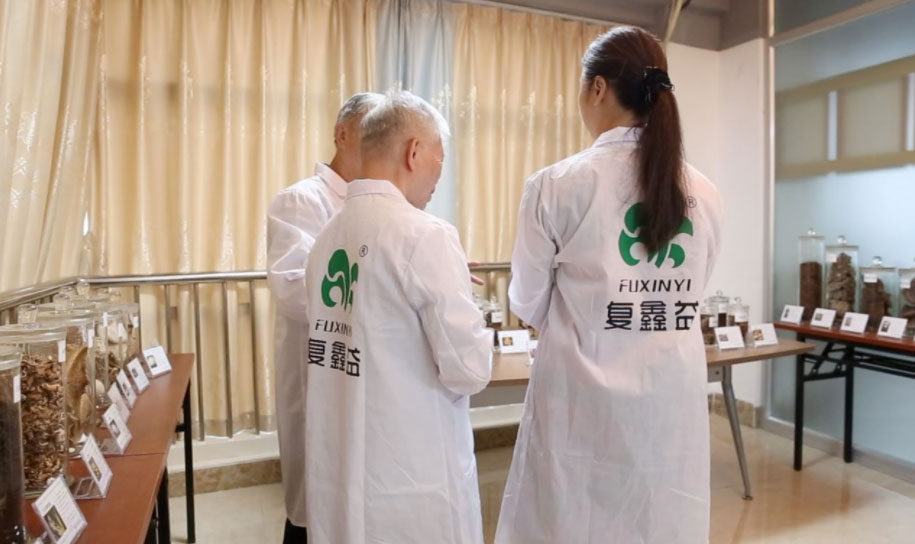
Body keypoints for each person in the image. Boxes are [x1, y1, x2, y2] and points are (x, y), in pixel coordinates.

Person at [495, 27, 722, 544]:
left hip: (579, 400)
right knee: (659, 520)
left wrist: (587, 318)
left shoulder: (557, 185)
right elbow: (694, 286)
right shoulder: (705, 193)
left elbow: (527, 299)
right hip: (669, 395)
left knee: (568, 520)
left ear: (597, 88)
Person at [303, 90, 492, 543]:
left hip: (342, 468)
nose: (438, 176)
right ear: (414, 152)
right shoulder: (425, 235)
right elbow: (469, 369)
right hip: (411, 477)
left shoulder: (327, 238)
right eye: (440, 159)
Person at [266, 92, 383, 544]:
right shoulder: (302, 200)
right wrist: (384, 290)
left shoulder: (380, 205)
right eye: (371, 132)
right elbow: (294, 290)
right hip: (319, 368)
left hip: (367, 371)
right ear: (342, 134)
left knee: (357, 500)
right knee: (316, 505)